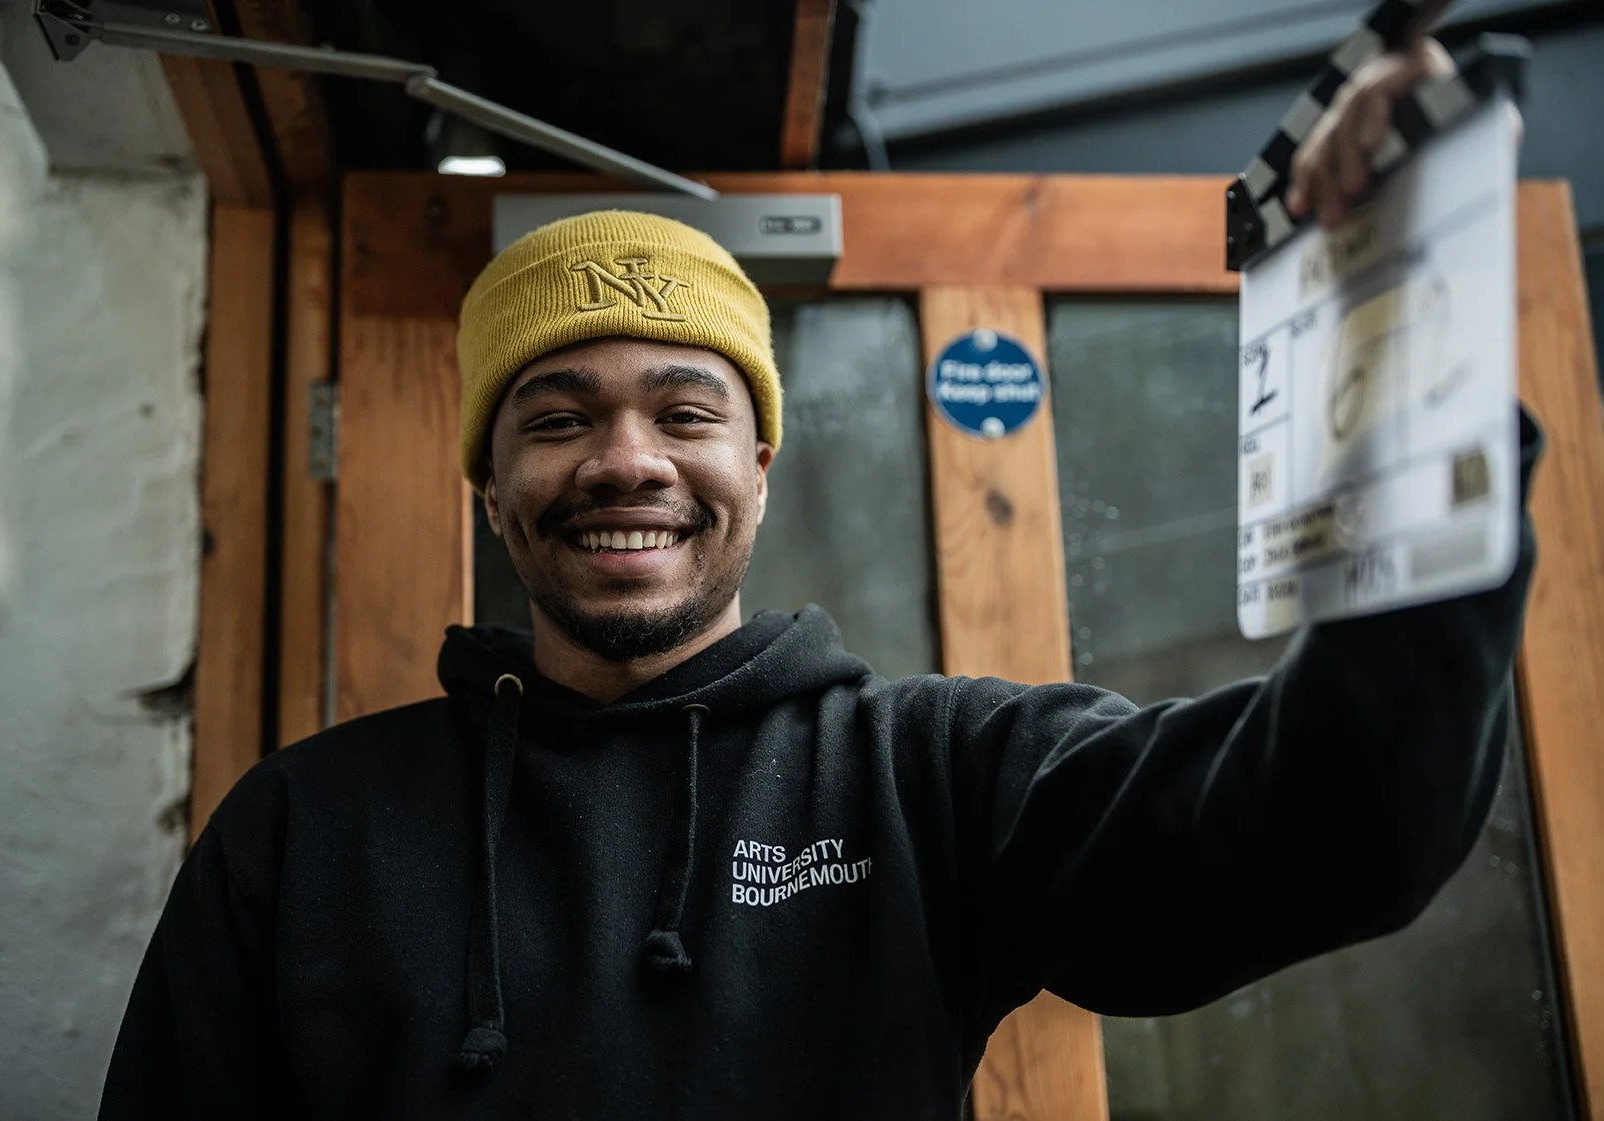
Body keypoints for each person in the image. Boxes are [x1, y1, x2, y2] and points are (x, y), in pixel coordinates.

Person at [99, 41, 1539, 1120]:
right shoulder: (301, 831)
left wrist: (1398, 367)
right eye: (554, 419)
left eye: (682, 412)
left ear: (759, 465)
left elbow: (1332, 831)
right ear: (490, 484)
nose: (624, 461)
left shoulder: (936, 775)